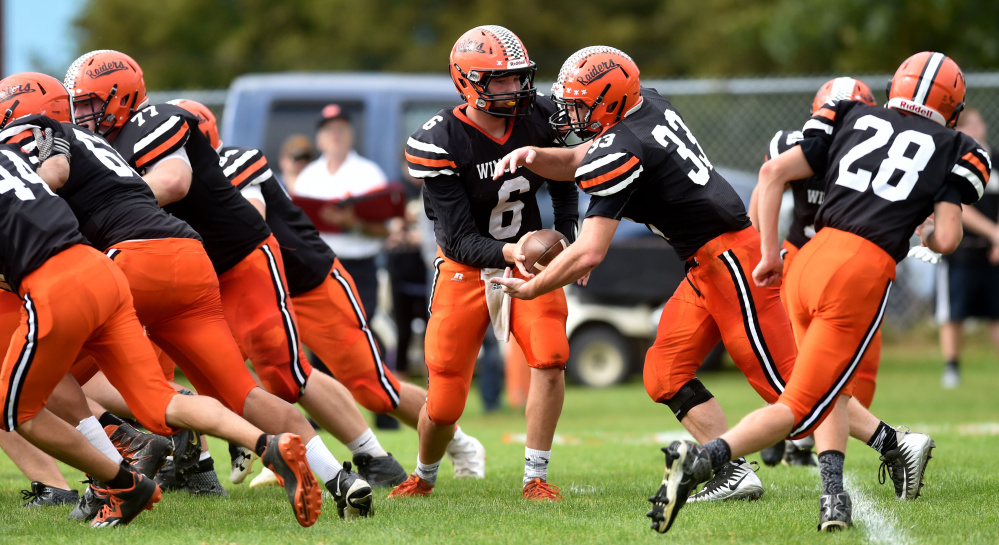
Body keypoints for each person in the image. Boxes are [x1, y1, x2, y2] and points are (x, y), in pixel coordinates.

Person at [643, 51, 984, 533]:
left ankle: (834, 498)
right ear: (953, 104)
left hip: (803, 262)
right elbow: (946, 240)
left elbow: (770, 175)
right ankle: (703, 461)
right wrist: (922, 229)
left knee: (827, 391)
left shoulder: (850, 115)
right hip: (860, 272)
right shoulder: (960, 148)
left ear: (896, 88)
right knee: (798, 405)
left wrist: (766, 255)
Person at [64, 51, 374, 519]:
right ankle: (338, 478)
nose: (82, 115)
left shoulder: (153, 119)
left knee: (279, 374)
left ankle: (114, 476)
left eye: (89, 103)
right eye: (76, 105)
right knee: (237, 393)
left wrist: (114, 201)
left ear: (121, 94)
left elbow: (174, 179)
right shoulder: (99, 147)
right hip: (189, 267)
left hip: (237, 258)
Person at [492, 45, 795, 503]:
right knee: (664, 372)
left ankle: (892, 442)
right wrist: (534, 154)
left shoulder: (621, 146)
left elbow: (590, 252)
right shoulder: (647, 103)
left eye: (579, 104)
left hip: (731, 258)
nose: (570, 114)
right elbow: (577, 160)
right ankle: (732, 472)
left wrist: (533, 286)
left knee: (786, 387)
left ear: (610, 98)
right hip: (702, 264)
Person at [0, 139, 322, 528]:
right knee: (160, 398)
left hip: (56, 286)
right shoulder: (16, 158)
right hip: (103, 271)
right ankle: (267, 444)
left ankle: (119, 484)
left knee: (16, 410)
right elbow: (55, 174)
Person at [172, 98, 487, 485]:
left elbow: (250, 220)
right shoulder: (181, 181)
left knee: (374, 388)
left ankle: (456, 441)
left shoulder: (234, 162)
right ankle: (292, 450)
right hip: (254, 291)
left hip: (311, 282)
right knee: (267, 373)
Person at [390, 25, 578, 501]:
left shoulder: (539, 115)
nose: (514, 89)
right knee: (446, 395)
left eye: (518, 78)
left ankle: (535, 476)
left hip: (528, 262)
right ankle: (425, 475)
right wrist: (512, 251)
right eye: (500, 81)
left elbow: (562, 177)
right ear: (467, 82)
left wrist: (569, 238)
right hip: (465, 267)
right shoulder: (441, 140)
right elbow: (457, 240)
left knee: (551, 356)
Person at [750, 77, 881, 467]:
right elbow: (762, 198)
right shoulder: (793, 146)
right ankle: (793, 428)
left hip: (843, 263)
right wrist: (768, 249)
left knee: (855, 363)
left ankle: (802, 432)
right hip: (803, 257)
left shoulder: (877, 157)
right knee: (804, 355)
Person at [293, 104, 389, 316]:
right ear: (319, 139)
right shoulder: (308, 176)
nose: (335, 135)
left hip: (358, 267)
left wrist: (354, 224)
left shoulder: (370, 174)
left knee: (359, 330)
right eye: (329, 130)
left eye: (341, 129)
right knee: (323, 336)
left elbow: (386, 230)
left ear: (351, 135)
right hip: (320, 267)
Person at [935, 107, 999, 388]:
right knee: (954, 312)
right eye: (964, 126)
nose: (971, 130)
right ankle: (952, 367)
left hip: (994, 252)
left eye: (974, 123)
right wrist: (995, 233)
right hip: (961, 250)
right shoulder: (956, 163)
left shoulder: (996, 160)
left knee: (996, 313)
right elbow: (959, 208)